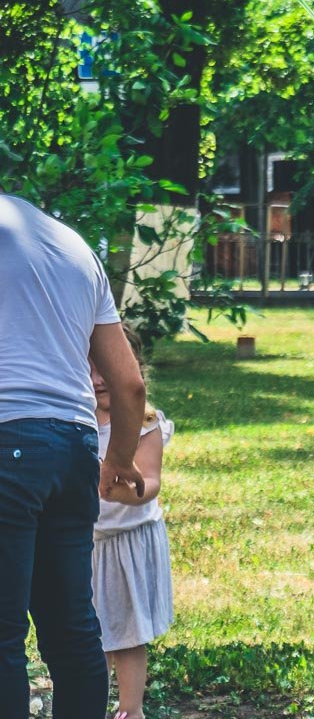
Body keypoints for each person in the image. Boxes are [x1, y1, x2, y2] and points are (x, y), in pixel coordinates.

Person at [0, 193, 146, 719]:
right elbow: (129, 384)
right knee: (73, 630)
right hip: (74, 448)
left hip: (7, 443)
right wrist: (120, 458)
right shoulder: (75, 248)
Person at [91, 326, 174, 719]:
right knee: (90, 633)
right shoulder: (77, 419)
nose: (98, 379)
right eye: (89, 368)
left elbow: (151, 482)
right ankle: (89, 704)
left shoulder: (145, 422)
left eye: (106, 368)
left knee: (127, 633)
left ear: (133, 369)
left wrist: (123, 492)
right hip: (89, 543)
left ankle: (130, 709)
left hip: (128, 541)